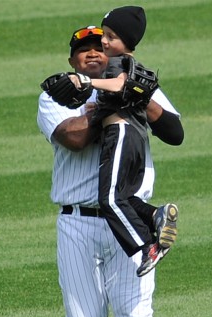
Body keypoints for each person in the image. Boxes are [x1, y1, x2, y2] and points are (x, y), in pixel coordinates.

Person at [37, 23, 183, 317]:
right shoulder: (58, 93)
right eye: (83, 51)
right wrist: (109, 101)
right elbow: (74, 138)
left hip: (129, 221)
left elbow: (174, 132)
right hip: (77, 223)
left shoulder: (130, 80)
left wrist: (139, 97)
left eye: (98, 48)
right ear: (72, 61)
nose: (92, 54)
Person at [69, 6, 179, 277]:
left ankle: (146, 247)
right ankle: (156, 215)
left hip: (120, 135)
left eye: (109, 37)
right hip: (132, 137)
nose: (103, 43)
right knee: (123, 197)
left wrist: (87, 82)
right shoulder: (125, 62)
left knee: (108, 199)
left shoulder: (118, 62)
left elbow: (119, 85)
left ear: (127, 41)